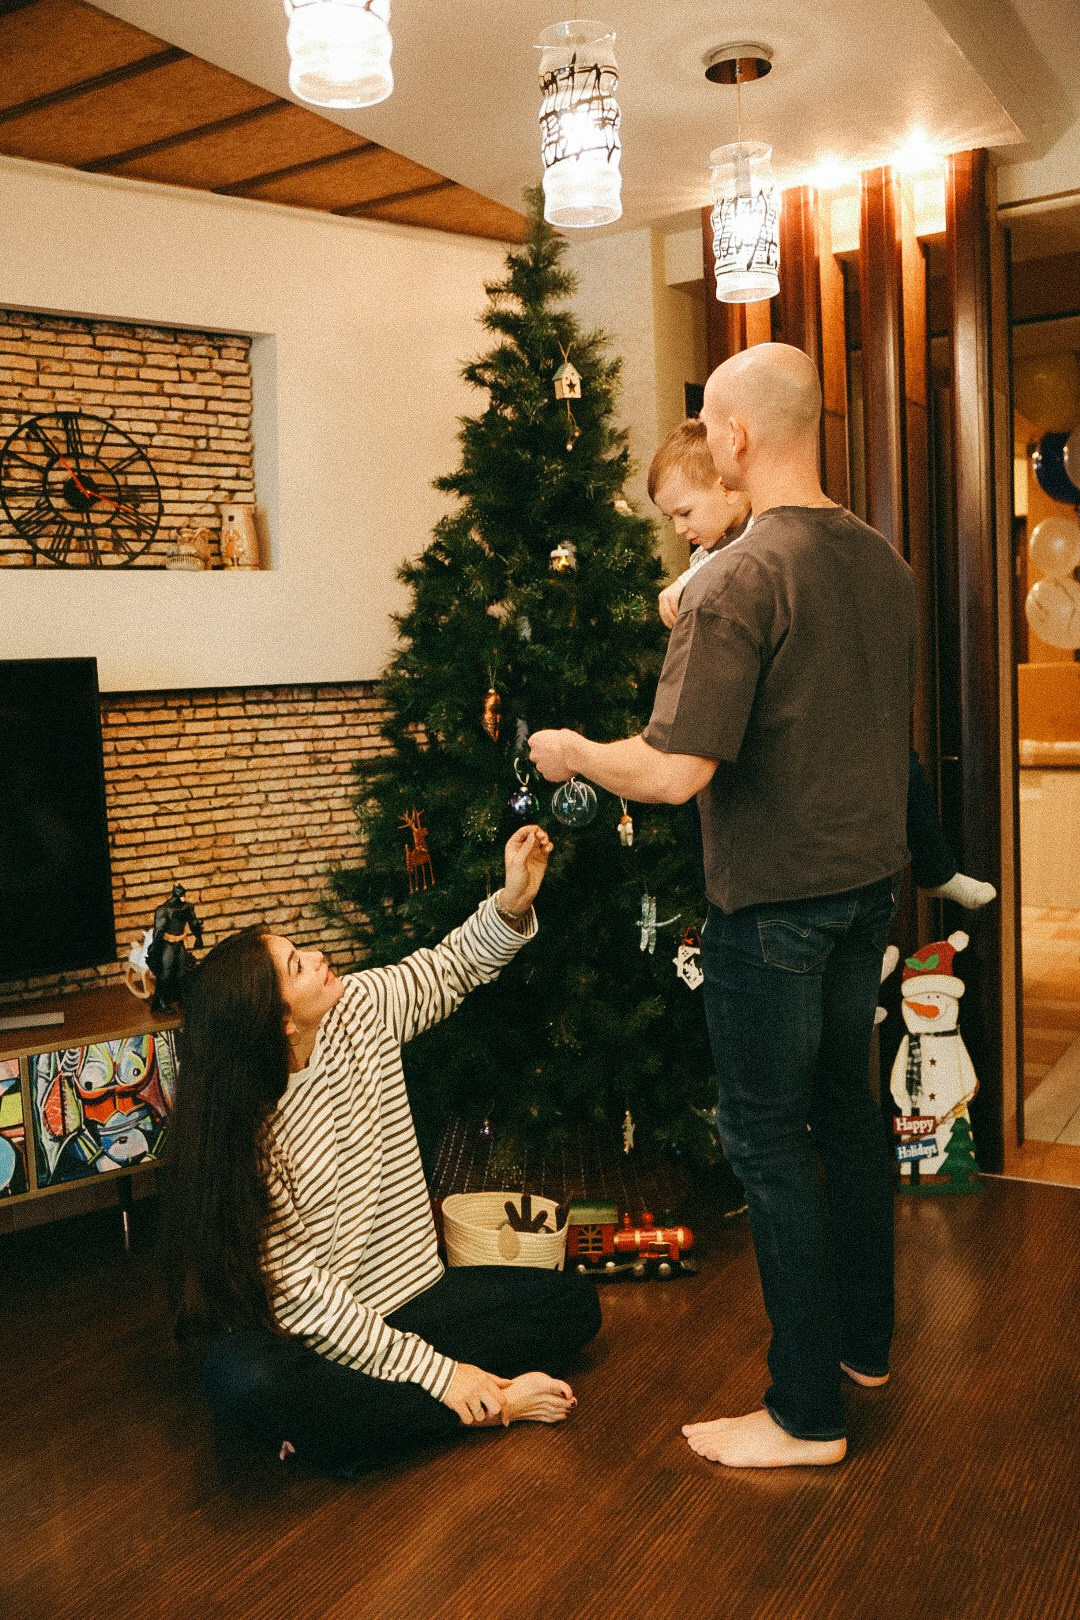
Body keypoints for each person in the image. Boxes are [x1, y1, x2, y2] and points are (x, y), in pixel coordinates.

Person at [531, 343, 918, 1469]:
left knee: (765, 1142)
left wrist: (569, 751)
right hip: (863, 894)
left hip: (776, 907)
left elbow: (670, 770)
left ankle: (805, 1412)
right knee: (846, 1118)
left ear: (736, 438)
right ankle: (862, 1349)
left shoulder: (741, 580)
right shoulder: (877, 559)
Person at [166, 824, 601, 1478]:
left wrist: (512, 901)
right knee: (242, 1378)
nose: (316, 957)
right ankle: (483, 1407)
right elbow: (304, 1301)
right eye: (296, 964)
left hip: (416, 1299)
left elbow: (448, 970)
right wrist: (448, 1379)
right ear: (280, 1021)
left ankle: (354, 1427)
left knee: (573, 1305)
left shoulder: (360, 1009)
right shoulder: (249, 1134)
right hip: (318, 1338)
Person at [648, 417, 996, 913]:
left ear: (728, 486)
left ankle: (937, 867)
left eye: (683, 512)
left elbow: (739, 569)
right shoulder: (712, 555)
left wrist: (689, 588)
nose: (681, 530)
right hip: (781, 748)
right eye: (671, 520)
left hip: (830, 689)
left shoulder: (764, 539)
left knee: (895, 761)